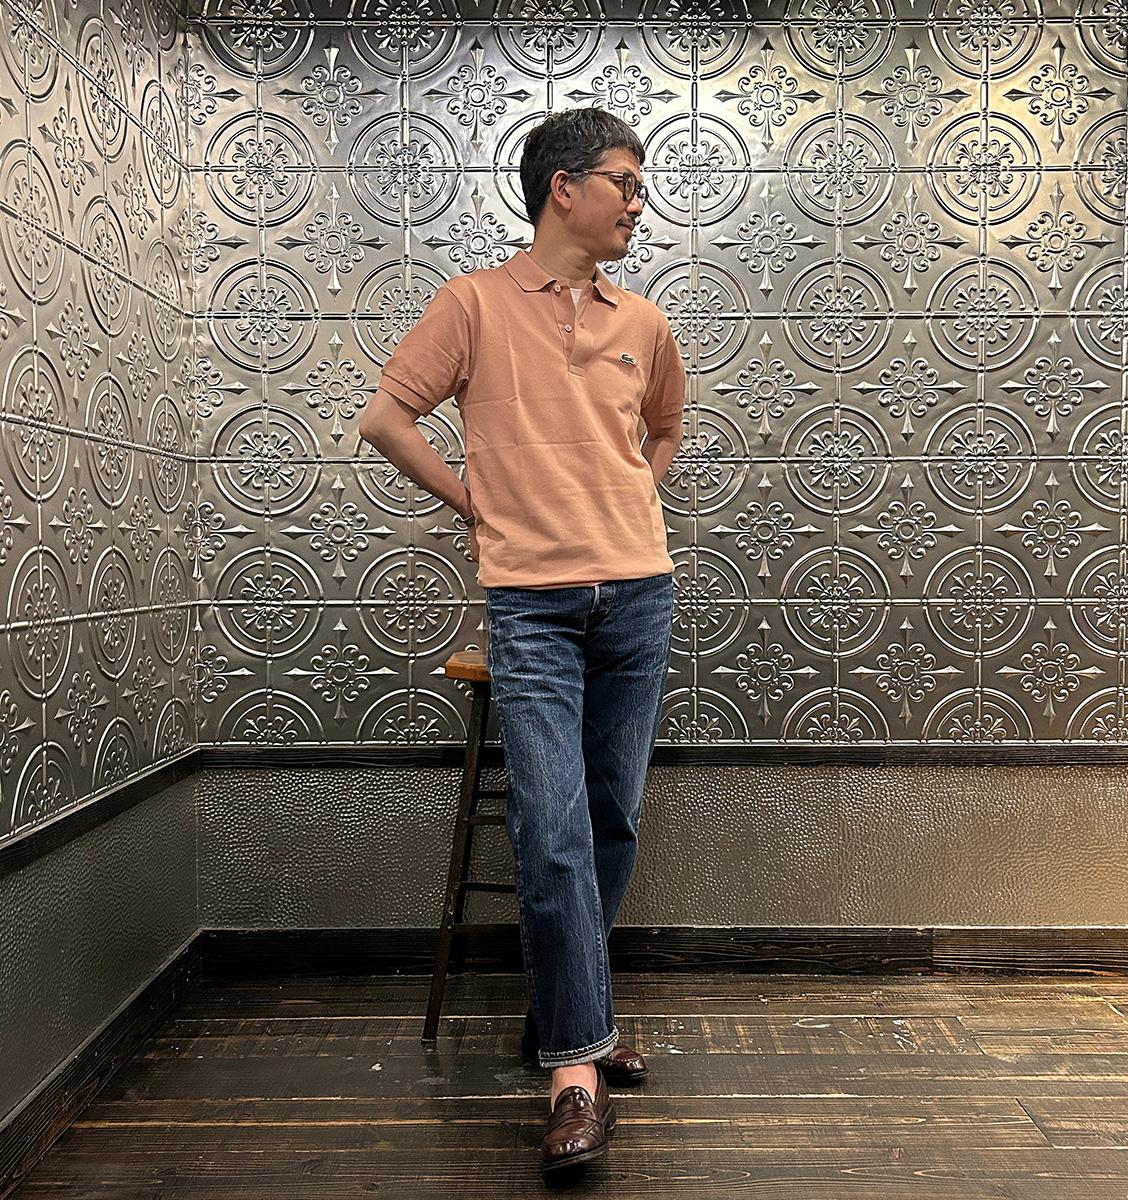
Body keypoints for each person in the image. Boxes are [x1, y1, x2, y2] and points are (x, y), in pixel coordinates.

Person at [358, 106, 685, 1175]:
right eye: (625, 182)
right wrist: (474, 502)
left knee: (611, 817)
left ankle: (570, 1015)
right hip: (531, 604)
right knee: (550, 831)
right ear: (564, 188)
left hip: (637, 595)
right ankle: (576, 1073)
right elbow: (386, 419)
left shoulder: (643, 320)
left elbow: (665, 430)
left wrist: (631, 500)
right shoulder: (473, 304)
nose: (638, 202)